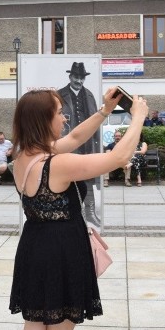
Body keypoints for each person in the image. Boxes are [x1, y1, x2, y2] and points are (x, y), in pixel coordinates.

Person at [1, 87, 147, 330]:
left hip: (34, 249)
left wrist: (105, 112)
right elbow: (118, 158)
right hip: (62, 253)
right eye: (58, 112)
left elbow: (76, 137)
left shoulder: (23, 156)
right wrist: (137, 119)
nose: (65, 117)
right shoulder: (58, 164)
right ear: (43, 120)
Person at [57, 62, 101, 226]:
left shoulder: (89, 95)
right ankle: (74, 212)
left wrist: (97, 144)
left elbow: (96, 121)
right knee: (70, 177)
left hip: (88, 143)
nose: (79, 81)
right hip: (68, 144)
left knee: (88, 175)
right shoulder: (59, 95)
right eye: (76, 77)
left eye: (81, 78)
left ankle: (89, 212)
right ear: (70, 77)